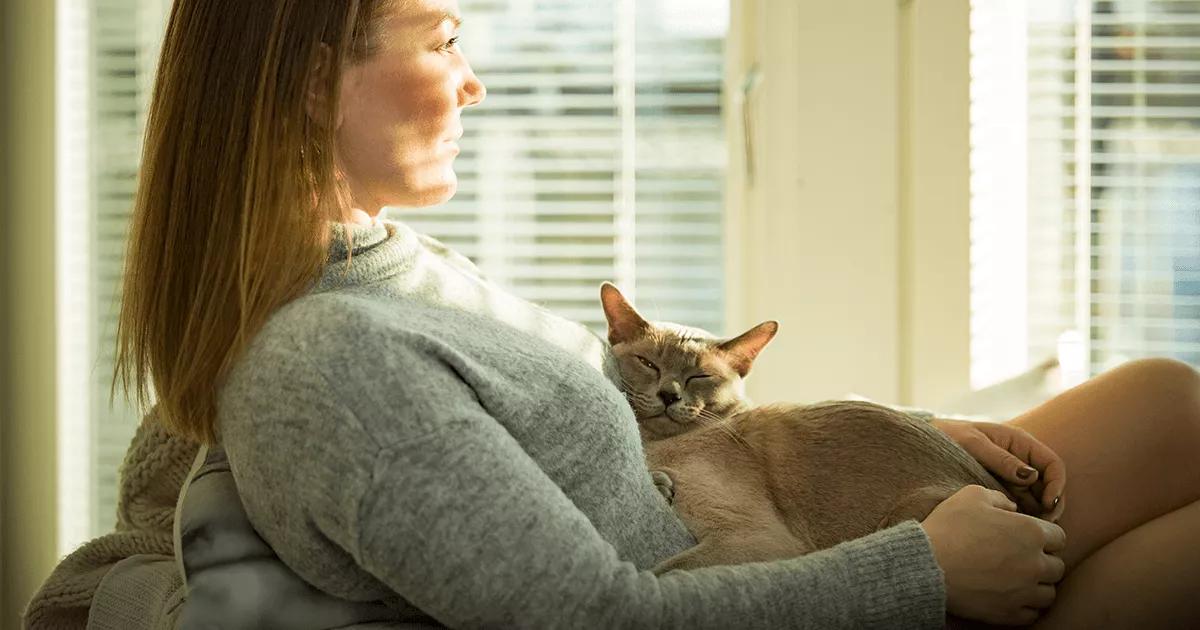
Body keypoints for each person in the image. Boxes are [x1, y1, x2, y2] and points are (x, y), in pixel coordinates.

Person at [91, 0, 1199, 628]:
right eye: (442, 39)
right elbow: (590, 622)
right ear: (304, 83)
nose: (473, 82)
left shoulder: (381, 264)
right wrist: (922, 570)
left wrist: (887, 430)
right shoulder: (327, 363)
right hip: (771, 589)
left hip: (756, 521)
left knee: (1168, 401)